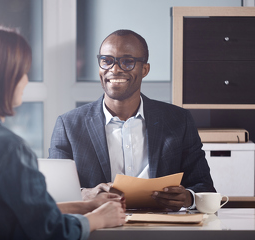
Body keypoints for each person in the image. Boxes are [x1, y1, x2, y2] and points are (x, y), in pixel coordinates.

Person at [0, 25, 126, 240]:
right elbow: (48, 230)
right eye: (22, 73)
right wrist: (98, 219)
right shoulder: (7, 147)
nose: (25, 81)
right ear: (2, 78)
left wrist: (86, 206)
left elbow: (9, 213)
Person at [49, 29, 216, 212]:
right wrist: (84, 194)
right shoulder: (69, 125)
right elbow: (55, 195)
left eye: (127, 62)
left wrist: (187, 198)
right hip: (100, 230)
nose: (114, 69)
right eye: (106, 61)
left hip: (162, 229)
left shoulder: (178, 121)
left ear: (144, 69)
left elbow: (204, 187)